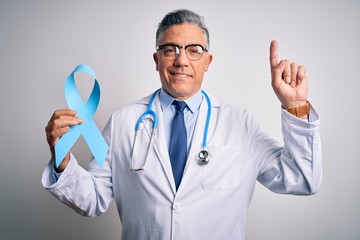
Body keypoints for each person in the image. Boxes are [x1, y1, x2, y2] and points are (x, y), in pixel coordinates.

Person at [42, 9, 322, 240]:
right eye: (169, 49)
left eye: (194, 50)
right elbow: (92, 199)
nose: (181, 60)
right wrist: (62, 157)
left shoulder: (240, 124)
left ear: (208, 61)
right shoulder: (122, 123)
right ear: (156, 60)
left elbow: (301, 178)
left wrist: (295, 106)